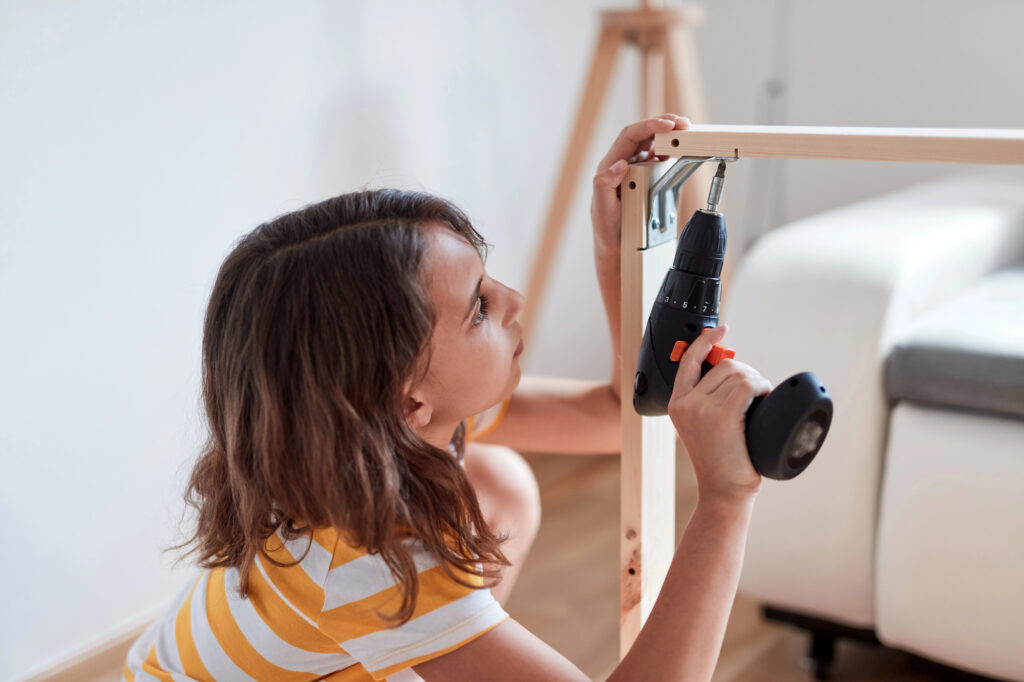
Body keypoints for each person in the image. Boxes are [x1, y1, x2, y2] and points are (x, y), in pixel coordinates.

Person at [123, 115, 771, 681]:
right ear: (408, 403)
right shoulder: (367, 562)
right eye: (478, 308)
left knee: (496, 483)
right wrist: (725, 498)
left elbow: (610, 417)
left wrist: (614, 247)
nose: (513, 300)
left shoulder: (371, 429)